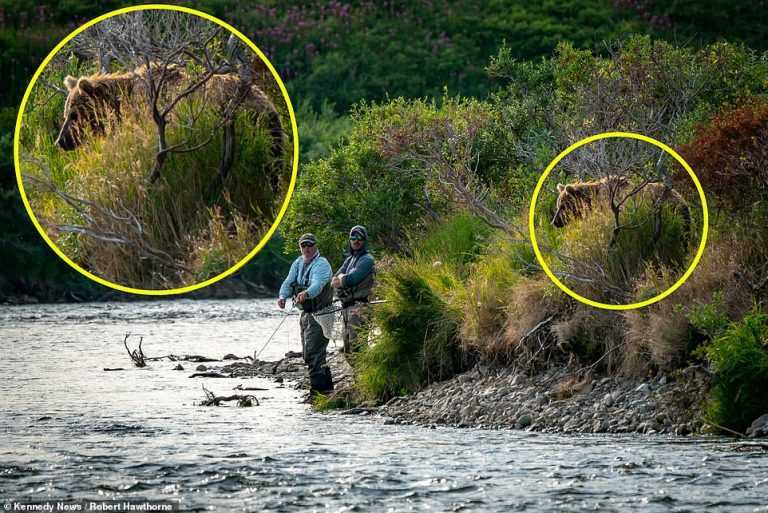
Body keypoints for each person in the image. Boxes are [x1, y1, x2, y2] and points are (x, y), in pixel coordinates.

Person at [277, 233, 334, 394]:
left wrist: (306, 293)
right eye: (303, 245)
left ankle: (318, 392)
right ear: (300, 247)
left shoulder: (322, 265)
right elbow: (288, 282)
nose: (307, 248)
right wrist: (282, 297)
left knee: (314, 353)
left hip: (322, 314)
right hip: (306, 314)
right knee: (308, 354)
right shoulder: (298, 263)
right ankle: (326, 390)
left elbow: (318, 284)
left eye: (310, 245)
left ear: (316, 246)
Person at [331, 225, 376, 353]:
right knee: (347, 351)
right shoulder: (349, 259)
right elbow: (334, 280)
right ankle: (359, 373)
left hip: (360, 308)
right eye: (353, 237)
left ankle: (364, 373)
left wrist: (342, 279)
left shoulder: (367, 260)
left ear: (365, 240)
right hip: (346, 308)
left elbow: (350, 279)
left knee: (358, 348)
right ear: (350, 240)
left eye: (360, 238)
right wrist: (340, 278)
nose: (356, 240)